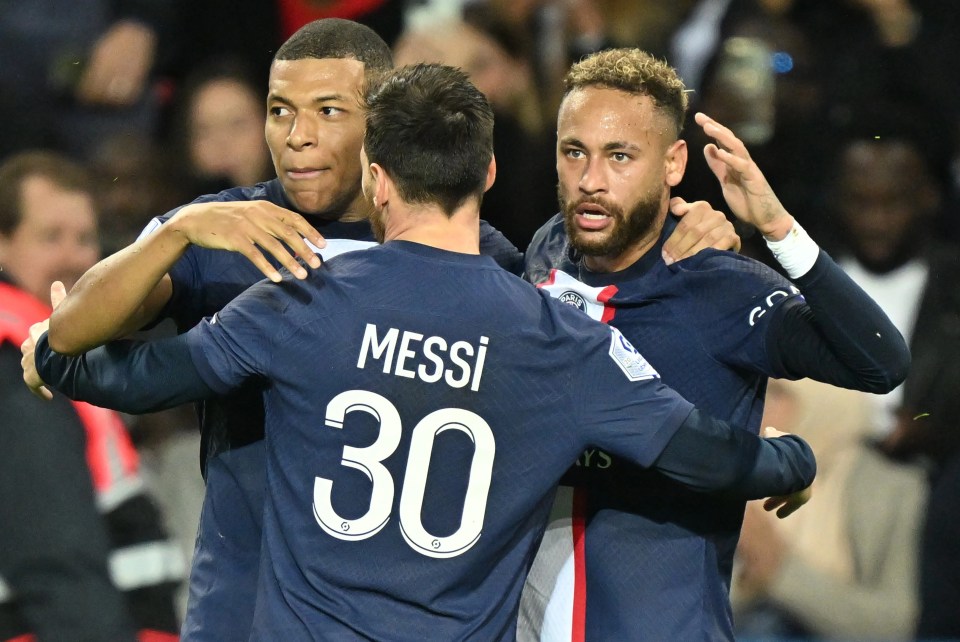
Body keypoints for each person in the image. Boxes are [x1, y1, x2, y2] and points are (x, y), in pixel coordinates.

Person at [26, 62, 817, 641]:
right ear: (491, 172)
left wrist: (56, 353)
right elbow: (712, 459)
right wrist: (792, 462)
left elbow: (125, 377)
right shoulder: (558, 337)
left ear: (377, 180)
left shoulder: (297, 304)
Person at [20, 18, 525, 642]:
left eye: (328, 110)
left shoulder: (477, 254)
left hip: (411, 608)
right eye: (280, 110)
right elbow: (70, 331)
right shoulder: (219, 232)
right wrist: (179, 232)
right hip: (245, 598)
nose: (297, 137)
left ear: (385, 122)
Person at [519, 48, 910, 641]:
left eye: (620, 156)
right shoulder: (546, 250)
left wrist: (778, 227)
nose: (590, 181)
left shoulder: (720, 286)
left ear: (674, 163)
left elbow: (881, 361)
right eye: (575, 152)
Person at [0, 151, 182, 641]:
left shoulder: (53, 354)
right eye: (50, 237)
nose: (75, 258)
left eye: (84, 239)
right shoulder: (13, 362)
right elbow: (55, 557)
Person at [825, 108, 960, 639]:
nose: (876, 220)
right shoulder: (807, 282)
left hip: (925, 503)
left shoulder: (954, 290)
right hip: (810, 497)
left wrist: (923, 426)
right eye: (861, 202)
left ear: (927, 196)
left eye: (892, 203)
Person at [733, 378, 927, 641]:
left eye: (777, 394)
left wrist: (780, 570)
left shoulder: (894, 491)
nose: (759, 409)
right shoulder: (736, 477)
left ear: (824, 400)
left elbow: (895, 624)